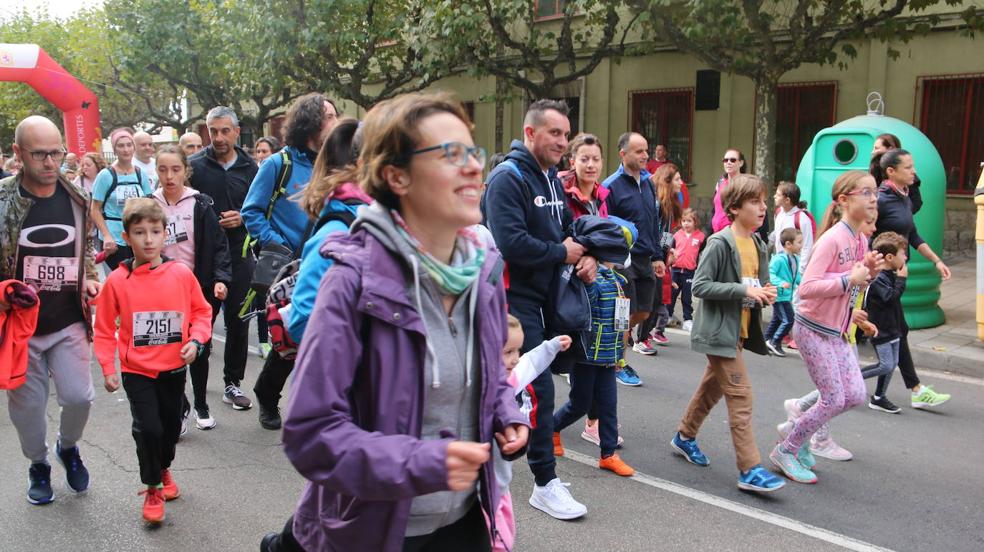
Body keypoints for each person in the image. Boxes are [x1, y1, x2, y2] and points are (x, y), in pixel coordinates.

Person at [262, 92, 529, 552]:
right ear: (396, 176)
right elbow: (311, 432)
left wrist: (505, 411)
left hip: (466, 522)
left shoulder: (482, 270)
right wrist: (422, 463)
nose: (473, 168)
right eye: (450, 154)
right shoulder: (352, 280)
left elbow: (491, 375)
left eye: (472, 151)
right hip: (376, 532)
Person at [481, 99, 593, 521]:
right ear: (530, 133)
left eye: (566, 134)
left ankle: (495, 467)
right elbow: (510, 244)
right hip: (512, 297)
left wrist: (586, 256)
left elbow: (565, 230)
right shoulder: (507, 179)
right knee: (537, 388)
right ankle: (544, 483)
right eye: (555, 134)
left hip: (548, 297)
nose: (563, 142)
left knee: (530, 388)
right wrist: (562, 254)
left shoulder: (549, 178)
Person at [0, 115, 102, 505]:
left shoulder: (78, 196)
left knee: (78, 397)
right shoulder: (3, 199)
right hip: (19, 327)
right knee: (27, 411)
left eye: (55, 152)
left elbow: (85, 248)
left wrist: (90, 277)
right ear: (18, 153)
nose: (49, 162)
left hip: (67, 319)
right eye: (39, 154)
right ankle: (38, 463)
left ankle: (68, 447)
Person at [93, 198, 212, 523]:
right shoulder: (117, 281)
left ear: (165, 235)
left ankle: (163, 467)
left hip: (174, 368)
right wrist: (107, 367)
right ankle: (153, 486)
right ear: (126, 237)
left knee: (171, 429)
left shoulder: (181, 274)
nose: (148, 239)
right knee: (148, 428)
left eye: (155, 231)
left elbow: (202, 312)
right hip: (137, 371)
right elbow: (103, 329)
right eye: (139, 232)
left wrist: (196, 340)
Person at [670, 174, 786, 493]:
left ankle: (684, 436)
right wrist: (743, 290)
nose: (763, 208)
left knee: (711, 390)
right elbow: (702, 285)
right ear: (734, 208)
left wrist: (767, 292)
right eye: (755, 202)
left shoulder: (758, 242)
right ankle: (749, 469)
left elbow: (754, 288)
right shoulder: (720, 242)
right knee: (741, 395)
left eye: (764, 202)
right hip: (718, 332)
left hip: (737, 331)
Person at [770, 170, 881, 484]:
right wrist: (849, 279)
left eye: (875, 192)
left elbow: (851, 286)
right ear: (844, 200)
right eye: (866, 192)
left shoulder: (861, 238)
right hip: (811, 328)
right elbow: (807, 288)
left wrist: (859, 298)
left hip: (838, 329)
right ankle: (787, 449)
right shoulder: (833, 239)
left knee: (856, 394)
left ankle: (797, 426)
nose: (873, 198)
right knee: (833, 397)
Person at [253, 117, 364, 430]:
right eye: (325, 117)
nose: (331, 121)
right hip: (305, 250)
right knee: (288, 337)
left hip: (318, 243)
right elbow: (252, 210)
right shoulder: (279, 163)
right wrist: (278, 246)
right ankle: (268, 393)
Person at [150, 145, 232, 431]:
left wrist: (221, 278)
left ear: (186, 170)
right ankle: (179, 408)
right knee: (169, 349)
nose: (169, 176)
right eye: (162, 169)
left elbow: (219, 245)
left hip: (198, 288)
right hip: (161, 290)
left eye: (175, 169)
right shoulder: (150, 204)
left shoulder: (201, 203)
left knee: (199, 346)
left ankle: (201, 404)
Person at [188, 106, 258, 411]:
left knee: (238, 322)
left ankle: (233, 383)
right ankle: (197, 391)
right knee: (201, 323)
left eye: (224, 131)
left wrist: (242, 218)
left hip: (241, 256)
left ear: (236, 132)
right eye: (212, 131)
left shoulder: (251, 168)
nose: (218, 137)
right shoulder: (194, 167)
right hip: (205, 259)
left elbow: (262, 213)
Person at [871, 148, 952, 409]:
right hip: (879, 278)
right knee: (889, 332)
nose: (913, 171)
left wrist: (936, 261)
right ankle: (910, 390)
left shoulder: (903, 196)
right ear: (891, 172)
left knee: (897, 331)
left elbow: (913, 236)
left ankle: (899, 392)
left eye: (913, 166)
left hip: (894, 274)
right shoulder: (881, 200)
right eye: (908, 167)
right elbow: (865, 234)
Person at [558, 133, 622, 449]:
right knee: (574, 365)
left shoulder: (601, 197)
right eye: (584, 158)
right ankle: (541, 427)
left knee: (603, 364)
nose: (591, 164)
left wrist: (595, 256)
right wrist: (587, 253)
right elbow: (561, 236)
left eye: (596, 159)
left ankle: (603, 440)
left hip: (595, 289)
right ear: (573, 161)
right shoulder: (561, 192)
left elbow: (606, 240)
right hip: (566, 287)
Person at [553, 251, 636, 477]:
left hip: (608, 357)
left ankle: (608, 454)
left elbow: (622, 323)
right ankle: (552, 428)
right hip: (587, 356)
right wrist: (588, 280)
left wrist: (620, 354)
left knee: (609, 407)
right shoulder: (591, 277)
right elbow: (584, 308)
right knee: (580, 403)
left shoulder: (618, 281)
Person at [492, 316, 571, 552]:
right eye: (507, 351)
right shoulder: (472, 383)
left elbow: (531, 361)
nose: (514, 358)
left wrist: (553, 345)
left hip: (499, 485)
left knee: (503, 537)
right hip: (472, 485)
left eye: (517, 350)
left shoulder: (512, 376)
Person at [603, 132, 663, 385]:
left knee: (644, 311)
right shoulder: (611, 186)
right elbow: (604, 224)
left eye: (646, 150)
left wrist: (658, 256)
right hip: (622, 260)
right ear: (623, 154)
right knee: (623, 314)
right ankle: (617, 364)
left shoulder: (648, 183)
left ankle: (607, 348)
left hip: (646, 259)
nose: (645, 155)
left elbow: (653, 222)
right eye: (638, 151)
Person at [860, 231, 910, 413]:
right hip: (880, 329)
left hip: (893, 328)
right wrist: (902, 280)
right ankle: (851, 380)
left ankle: (879, 397)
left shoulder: (890, 275)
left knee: (892, 363)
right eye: (902, 254)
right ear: (890, 257)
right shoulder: (880, 278)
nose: (905, 257)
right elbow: (890, 298)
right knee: (886, 364)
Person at [91, 128, 153, 271]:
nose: (125, 149)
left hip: (136, 234)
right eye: (121, 146)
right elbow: (94, 209)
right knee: (120, 276)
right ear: (114, 150)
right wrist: (106, 236)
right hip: (114, 237)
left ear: (133, 147)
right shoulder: (106, 175)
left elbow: (149, 204)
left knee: (139, 275)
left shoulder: (140, 173)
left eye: (129, 145)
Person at [636, 163, 683, 351]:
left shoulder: (669, 205)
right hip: (651, 259)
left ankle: (641, 337)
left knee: (656, 301)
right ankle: (640, 339)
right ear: (667, 181)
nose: (681, 182)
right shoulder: (656, 204)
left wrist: (668, 251)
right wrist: (658, 256)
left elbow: (665, 234)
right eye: (678, 179)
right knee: (651, 301)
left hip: (661, 258)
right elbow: (653, 234)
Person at [764, 228, 802, 357]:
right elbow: (770, 273)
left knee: (777, 319)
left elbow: (795, 276)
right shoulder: (779, 259)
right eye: (799, 242)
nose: (801, 245)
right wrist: (781, 283)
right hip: (779, 295)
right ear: (788, 244)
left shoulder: (796, 259)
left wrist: (802, 284)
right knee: (789, 320)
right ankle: (775, 342)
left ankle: (766, 340)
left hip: (787, 295)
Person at [670, 208, 704, 333]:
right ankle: (668, 315)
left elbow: (702, 253)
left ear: (695, 222)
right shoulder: (676, 234)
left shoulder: (701, 237)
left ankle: (688, 320)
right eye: (684, 221)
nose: (686, 223)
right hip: (675, 270)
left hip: (689, 272)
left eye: (689, 221)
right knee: (672, 294)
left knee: (687, 297)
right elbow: (669, 248)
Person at [772, 181, 815, 271]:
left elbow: (807, 245)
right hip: (780, 263)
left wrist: (801, 269)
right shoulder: (778, 212)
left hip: (794, 266)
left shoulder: (802, 219)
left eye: (778, 195)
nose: (774, 197)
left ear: (787, 200)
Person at [710, 148, 747, 233]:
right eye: (725, 160)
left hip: (734, 233)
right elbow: (715, 209)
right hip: (717, 233)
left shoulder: (746, 184)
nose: (728, 162)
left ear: (741, 163)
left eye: (733, 160)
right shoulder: (720, 183)